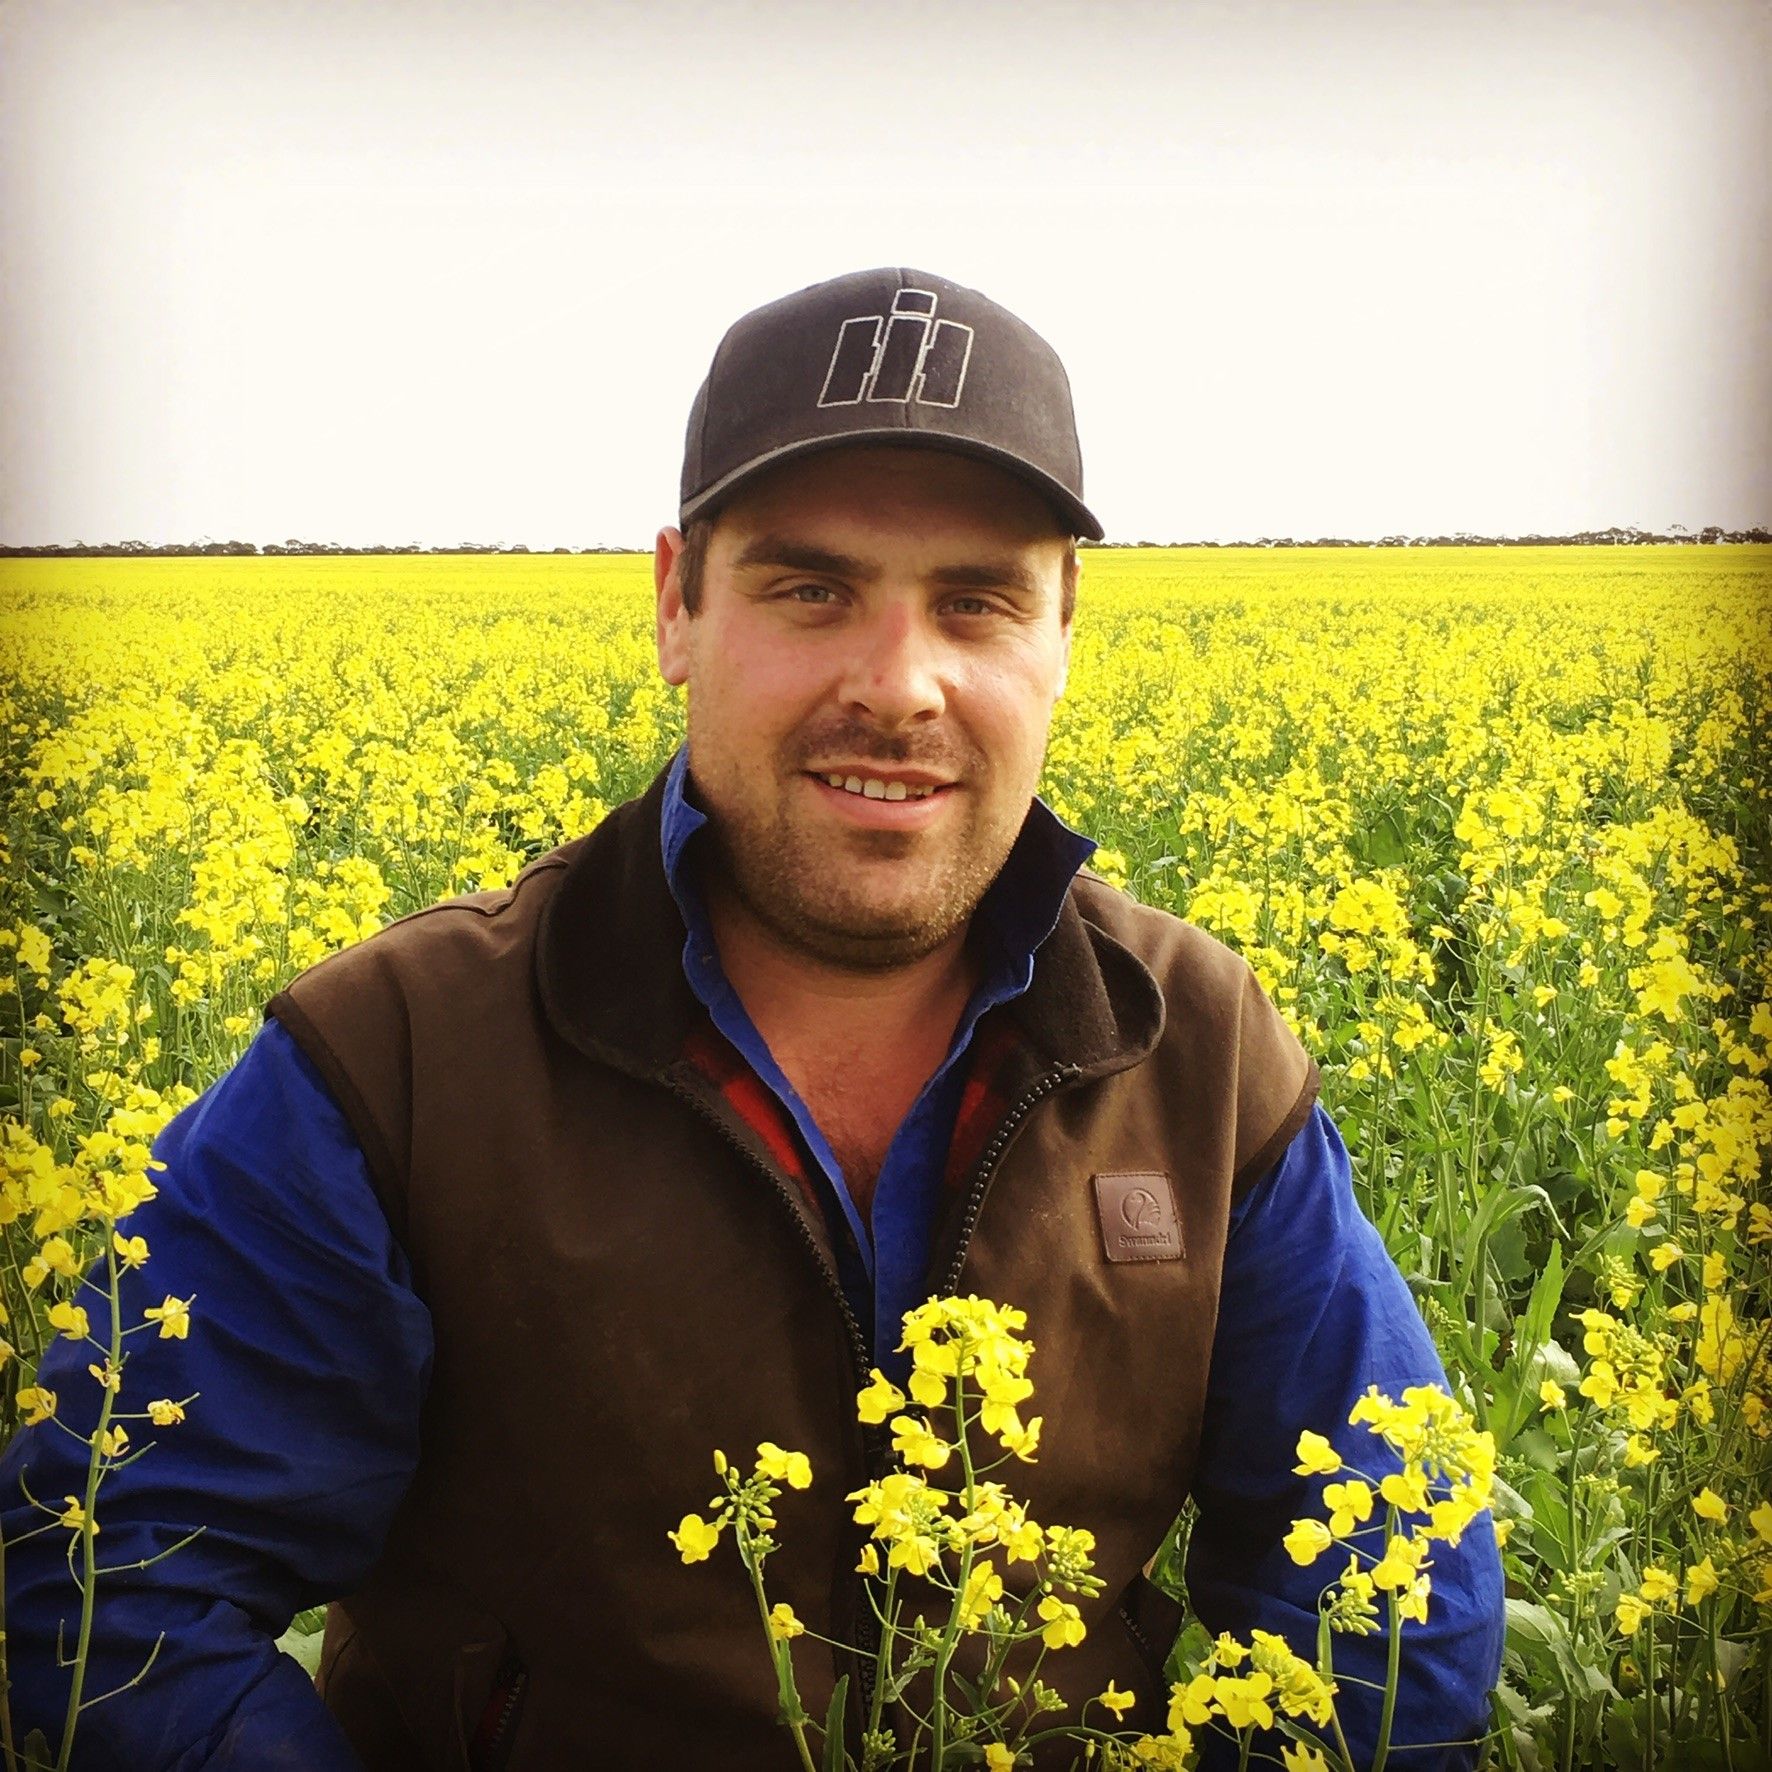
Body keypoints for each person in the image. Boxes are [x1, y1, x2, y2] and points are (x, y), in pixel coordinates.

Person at [0, 267, 1504, 1769]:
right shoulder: (395, 1058)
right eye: (811, 591)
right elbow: (105, 1581)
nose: (899, 687)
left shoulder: (1198, 1048)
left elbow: (1397, 1580)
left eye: (976, 602)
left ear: (1062, 631)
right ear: (676, 605)